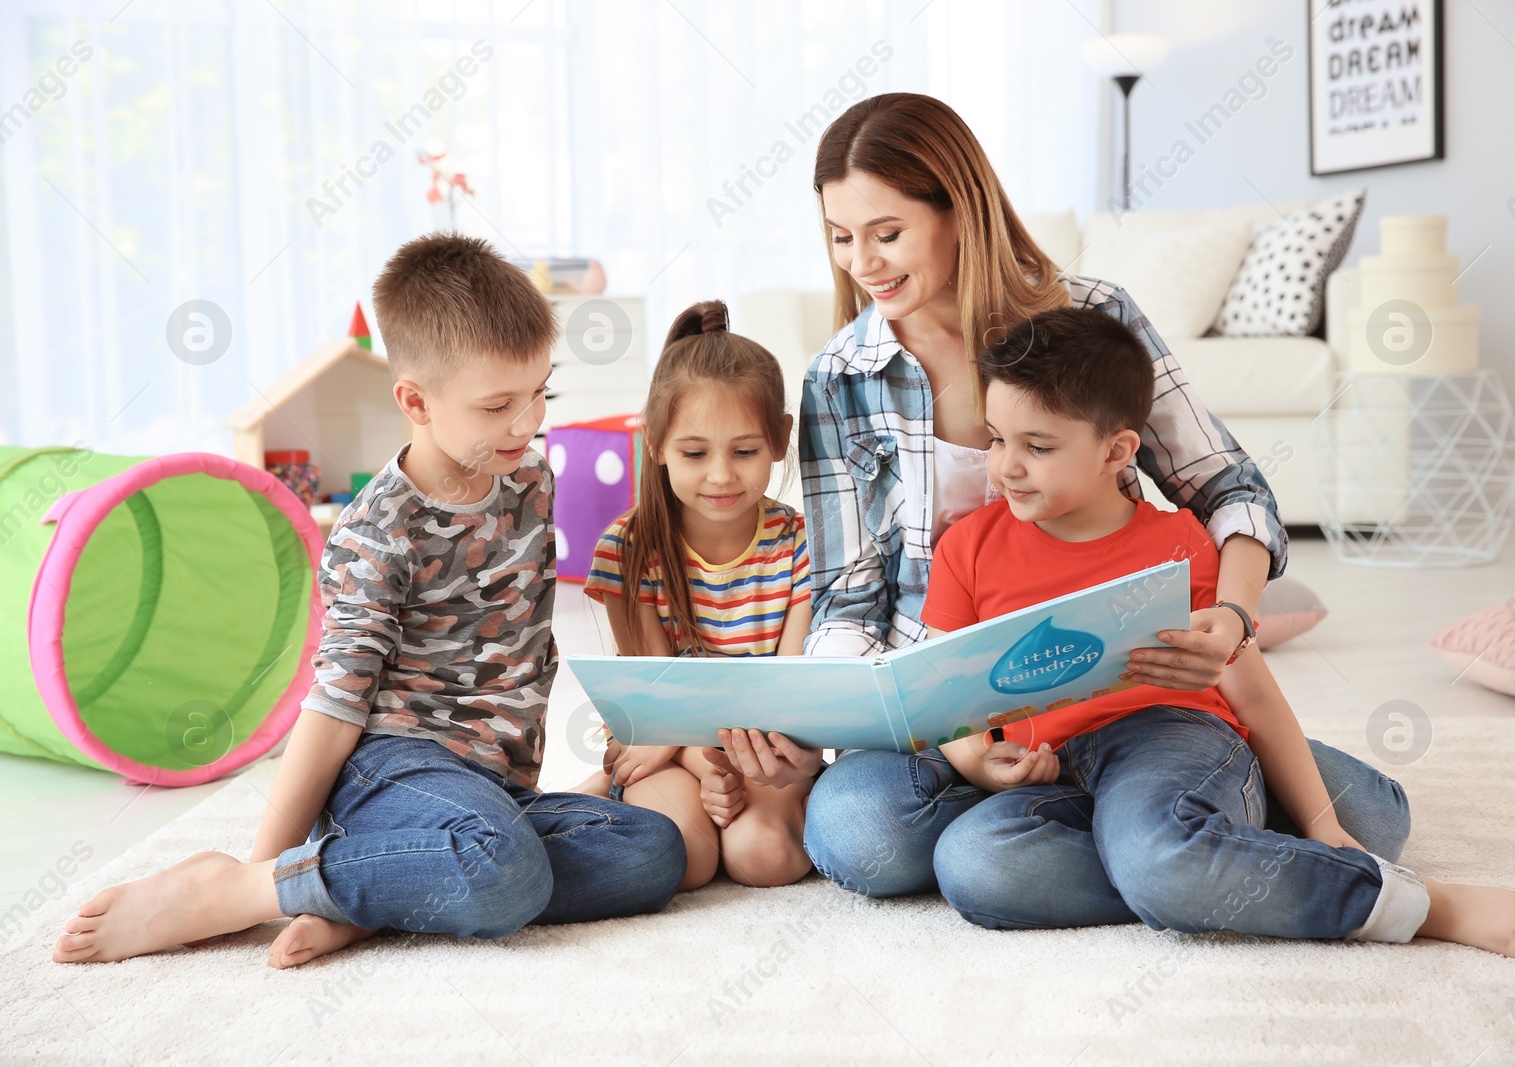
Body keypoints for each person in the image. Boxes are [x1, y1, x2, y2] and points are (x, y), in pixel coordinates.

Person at [798, 91, 1411, 898]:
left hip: (1120, 694)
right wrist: (918, 726)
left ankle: (1168, 813)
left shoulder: (1089, 317)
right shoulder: (838, 379)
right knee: (859, 837)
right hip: (944, 715)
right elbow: (847, 599)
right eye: (842, 238)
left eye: (887, 233)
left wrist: (1229, 620)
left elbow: (1226, 486)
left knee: (1369, 819)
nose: (861, 263)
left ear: (961, 212)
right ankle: (1170, 839)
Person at [52, 234, 685, 967]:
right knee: (506, 871)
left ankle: (379, 889)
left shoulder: (531, 484)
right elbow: (333, 704)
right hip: (391, 766)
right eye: (497, 405)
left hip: (490, 789)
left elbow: (523, 656)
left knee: (652, 850)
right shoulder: (380, 529)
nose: (528, 421)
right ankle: (241, 889)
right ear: (414, 399)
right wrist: (265, 862)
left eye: (543, 391)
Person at [919, 306, 1515, 961]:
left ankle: (1417, 903)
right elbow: (942, 694)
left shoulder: (1178, 547)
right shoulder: (967, 545)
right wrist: (976, 760)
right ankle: (1187, 858)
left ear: (1117, 450)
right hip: (1057, 773)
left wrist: (1323, 824)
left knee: (1158, 852)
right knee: (975, 863)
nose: (1006, 467)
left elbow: (1250, 693)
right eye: (997, 438)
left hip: (1165, 740)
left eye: (1038, 446)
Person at [578, 300, 819, 891]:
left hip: (766, 745)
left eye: (744, 451)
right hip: (661, 738)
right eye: (694, 453)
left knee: (765, 859)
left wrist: (733, 765)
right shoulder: (629, 547)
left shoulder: (797, 543)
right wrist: (694, 760)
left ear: (780, 440)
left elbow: (787, 694)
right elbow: (654, 700)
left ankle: (601, 792)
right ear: (657, 443)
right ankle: (599, 790)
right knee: (683, 860)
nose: (720, 475)